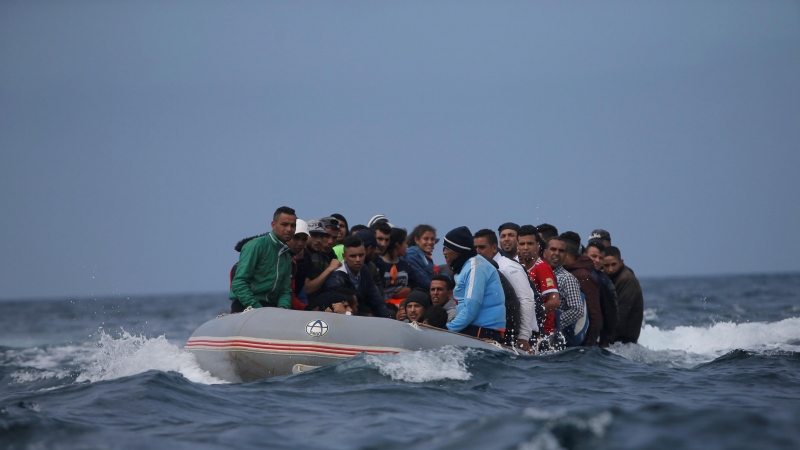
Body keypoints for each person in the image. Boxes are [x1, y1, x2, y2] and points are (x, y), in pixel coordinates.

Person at [474, 229, 538, 351]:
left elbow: (526, 300)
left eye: (482, 247)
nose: (478, 252)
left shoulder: (508, 267)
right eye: (475, 248)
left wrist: (523, 337)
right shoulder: (484, 268)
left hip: (524, 335)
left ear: (494, 248)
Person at [442, 226, 506, 341]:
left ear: (458, 250)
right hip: (474, 326)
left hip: (483, 329)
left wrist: (446, 330)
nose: (444, 252)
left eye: (447, 248)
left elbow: (471, 308)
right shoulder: (465, 267)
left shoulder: (475, 267)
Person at [229, 206, 297, 312]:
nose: (289, 229)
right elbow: (239, 282)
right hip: (246, 304)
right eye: (284, 224)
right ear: (273, 225)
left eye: (293, 225)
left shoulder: (287, 255)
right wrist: (257, 308)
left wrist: (283, 308)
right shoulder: (256, 245)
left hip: (270, 308)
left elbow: (285, 290)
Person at [323, 235, 391, 318]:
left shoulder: (364, 269)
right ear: (344, 257)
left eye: (361, 255)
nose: (358, 260)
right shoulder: (336, 279)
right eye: (353, 256)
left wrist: (389, 321)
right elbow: (336, 311)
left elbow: (376, 300)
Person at [543, 237, 587, 348]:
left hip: (558, 338)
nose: (557, 253)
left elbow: (577, 310)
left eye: (561, 251)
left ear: (565, 255)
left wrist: (555, 323)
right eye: (553, 249)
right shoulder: (539, 273)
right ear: (545, 253)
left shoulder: (567, 279)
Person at [560, 232, 602, 347]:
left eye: (559, 250)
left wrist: (586, 349)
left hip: (580, 346)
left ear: (565, 252)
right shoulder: (564, 271)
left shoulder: (582, 275)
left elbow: (596, 318)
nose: (555, 254)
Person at [518, 225, 560, 335]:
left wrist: (533, 315)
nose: (525, 247)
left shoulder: (541, 267)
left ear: (538, 246)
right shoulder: (519, 267)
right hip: (529, 330)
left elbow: (555, 301)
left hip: (543, 332)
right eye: (522, 244)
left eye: (530, 243)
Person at [603, 246, 644, 344]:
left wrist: (605, 342)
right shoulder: (610, 278)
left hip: (624, 342)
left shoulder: (627, 280)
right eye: (606, 265)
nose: (610, 269)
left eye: (613, 264)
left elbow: (621, 315)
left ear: (621, 262)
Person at [302, 219, 342, 309]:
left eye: (321, 236)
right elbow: (307, 289)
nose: (319, 240)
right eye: (314, 235)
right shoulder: (302, 255)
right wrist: (329, 269)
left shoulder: (330, 254)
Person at [585, 241, 619, 347]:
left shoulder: (604, 280)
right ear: (584, 255)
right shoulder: (586, 274)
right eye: (593, 256)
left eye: (601, 258)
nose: (597, 261)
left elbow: (612, 312)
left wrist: (605, 339)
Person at [374, 228, 417, 303]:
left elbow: (416, 285)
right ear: (398, 245)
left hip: (404, 306)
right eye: (405, 243)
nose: (407, 246)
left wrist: (410, 290)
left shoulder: (406, 265)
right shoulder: (378, 265)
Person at [354, 229, 385, 300]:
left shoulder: (372, 267)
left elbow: (379, 297)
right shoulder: (347, 267)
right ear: (369, 249)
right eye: (374, 248)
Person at [405, 224, 439, 289]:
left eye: (432, 239)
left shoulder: (425, 256)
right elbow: (422, 279)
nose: (430, 242)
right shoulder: (411, 254)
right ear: (417, 240)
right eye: (426, 239)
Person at [288, 219, 310, 310]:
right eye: (296, 238)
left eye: (304, 239)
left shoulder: (304, 259)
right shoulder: (276, 257)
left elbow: (297, 291)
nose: (300, 243)